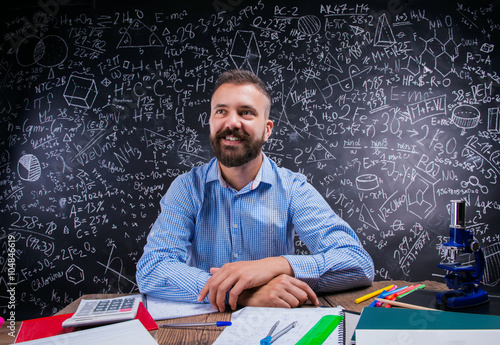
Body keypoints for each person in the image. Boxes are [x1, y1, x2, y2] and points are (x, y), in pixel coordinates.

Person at [136, 69, 374, 312]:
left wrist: (276, 266)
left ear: (267, 129)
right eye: (221, 111)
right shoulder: (187, 189)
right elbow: (153, 267)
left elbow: (357, 263)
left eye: (246, 112)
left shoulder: (293, 188)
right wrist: (241, 294)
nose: (231, 123)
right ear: (211, 122)